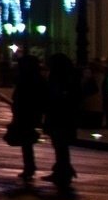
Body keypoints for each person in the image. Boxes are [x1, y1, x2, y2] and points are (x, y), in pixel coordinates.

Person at [42, 53, 84, 186]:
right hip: (64, 116)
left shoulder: (59, 78)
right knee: (61, 146)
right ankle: (63, 170)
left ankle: (63, 172)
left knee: (60, 145)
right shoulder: (69, 77)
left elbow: (54, 96)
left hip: (59, 116)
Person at [6, 51, 48, 182]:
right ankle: (29, 167)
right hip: (30, 113)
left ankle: (29, 167)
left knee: (26, 141)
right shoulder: (37, 78)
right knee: (27, 142)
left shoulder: (27, 78)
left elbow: (20, 96)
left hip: (26, 112)